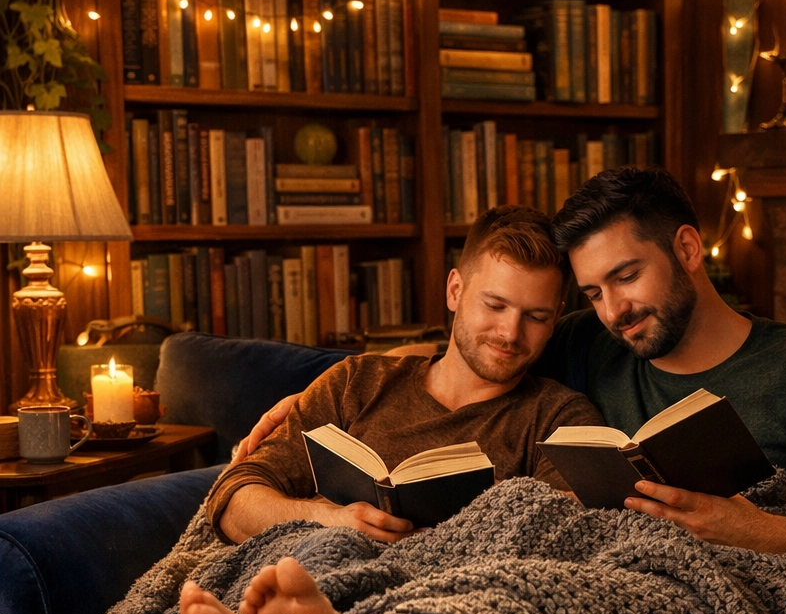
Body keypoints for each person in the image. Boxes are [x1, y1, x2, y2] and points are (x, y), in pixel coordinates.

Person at [236, 166, 786, 593]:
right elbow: (482, 346)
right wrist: (313, 388)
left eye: (626, 276)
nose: (614, 310)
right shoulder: (594, 344)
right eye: (591, 294)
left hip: (759, 583)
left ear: (686, 249)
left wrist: (760, 532)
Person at [207, 203, 603, 546]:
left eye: (535, 317)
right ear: (454, 290)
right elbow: (232, 501)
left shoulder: (559, 419)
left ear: (555, 320)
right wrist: (329, 521)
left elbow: (567, 539)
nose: (510, 334)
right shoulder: (355, 382)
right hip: (315, 565)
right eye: (495, 306)